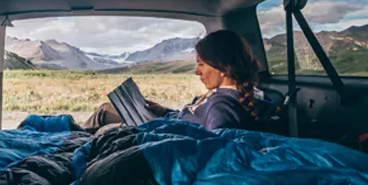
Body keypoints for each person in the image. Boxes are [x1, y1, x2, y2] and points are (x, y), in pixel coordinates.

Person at [82, 29, 261, 132]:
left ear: (222, 66)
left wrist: (153, 130)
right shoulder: (225, 96)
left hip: (160, 132)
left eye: (201, 65)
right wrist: (164, 110)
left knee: (104, 113)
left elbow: (208, 147)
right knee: (106, 109)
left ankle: (76, 143)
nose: (197, 72)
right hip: (166, 122)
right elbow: (193, 120)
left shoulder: (221, 108)